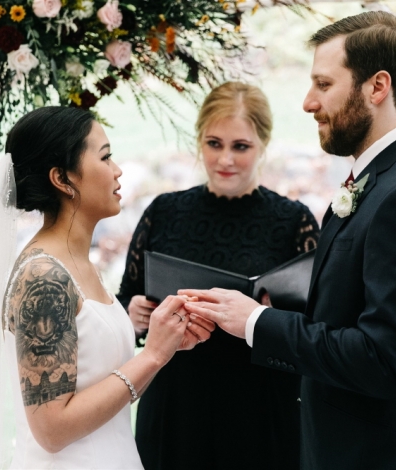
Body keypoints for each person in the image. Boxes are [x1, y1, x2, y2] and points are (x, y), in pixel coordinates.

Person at [181, 12, 396, 470]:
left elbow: (384, 359)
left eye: (323, 84)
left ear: (377, 88)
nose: (308, 102)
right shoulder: (385, 180)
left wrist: (257, 322)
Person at [0, 106, 214, 469]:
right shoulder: (44, 278)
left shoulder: (81, 265)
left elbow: (106, 392)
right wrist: (152, 355)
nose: (118, 170)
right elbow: (52, 430)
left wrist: (167, 346)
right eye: (106, 157)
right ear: (62, 179)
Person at [118, 82, 320, 470]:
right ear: (199, 142)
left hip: (259, 408)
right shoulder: (164, 211)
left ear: (262, 144)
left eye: (240, 146)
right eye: (214, 143)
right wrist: (135, 313)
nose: (225, 158)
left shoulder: (293, 221)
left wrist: (272, 318)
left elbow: (317, 326)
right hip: (176, 404)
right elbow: (127, 297)